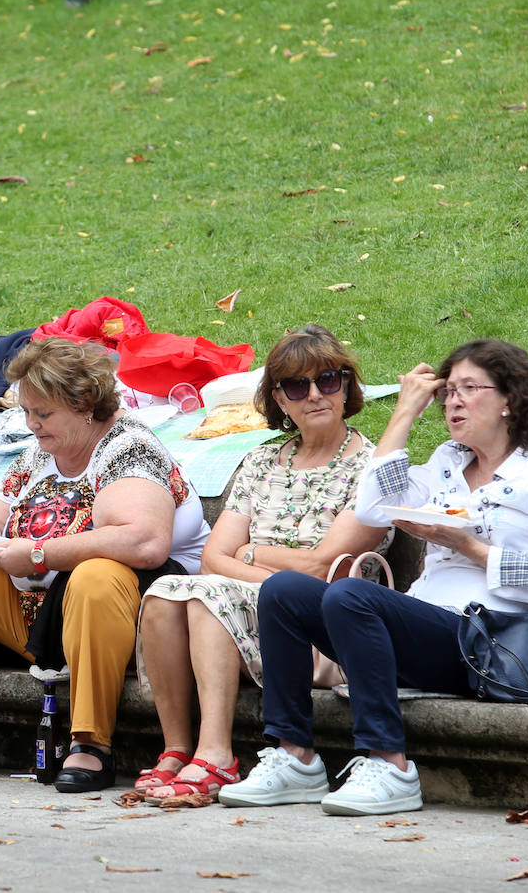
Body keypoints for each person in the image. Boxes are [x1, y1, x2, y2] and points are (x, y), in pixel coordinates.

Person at [219, 339, 528, 816]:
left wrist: (469, 547)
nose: (454, 401)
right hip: (429, 629)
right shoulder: (448, 464)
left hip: (493, 640)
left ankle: (390, 765)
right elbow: (372, 507)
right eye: (448, 391)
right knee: (283, 591)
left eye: (470, 389)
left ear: (509, 399)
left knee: (351, 595)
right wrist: (404, 412)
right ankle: (294, 755)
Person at [0, 337, 210, 792]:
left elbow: (145, 542)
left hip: (134, 621)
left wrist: (38, 553)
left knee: (96, 575)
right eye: (26, 411)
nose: (32, 424)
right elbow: (3, 522)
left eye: (44, 413)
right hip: (47, 612)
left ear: (85, 404)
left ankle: (91, 742)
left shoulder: (129, 447)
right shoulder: (43, 451)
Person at [136, 326, 389, 802]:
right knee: (166, 593)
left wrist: (251, 554)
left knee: (208, 594)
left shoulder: (371, 468)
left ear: (346, 387)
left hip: (321, 628)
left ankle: (217, 755)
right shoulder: (260, 462)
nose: (314, 394)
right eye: (297, 386)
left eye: (328, 380)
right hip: (251, 606)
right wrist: (270, 576)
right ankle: (176, 749)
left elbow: (323, 568)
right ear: (279, 399)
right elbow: (212, 558)